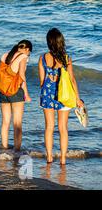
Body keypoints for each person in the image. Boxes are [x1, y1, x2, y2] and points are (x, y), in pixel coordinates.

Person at [39, 28, 84, 165]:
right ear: (61, 41)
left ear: (49, 42)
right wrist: (77, 98)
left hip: (47, 95)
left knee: (49, 127)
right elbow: (72, 80)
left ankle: (49, 157)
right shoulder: (66, 58)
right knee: (63, 128)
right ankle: (63, 159)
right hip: (63, 96)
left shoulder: (42, 58)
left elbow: (42, 82)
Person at [0, 40, 33, 151]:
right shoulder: (23, 57)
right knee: (17, 123)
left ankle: (4, 148)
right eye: (29, 53)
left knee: (5, 122)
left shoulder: (5, 55)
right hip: (16, 91)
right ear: (27, 49)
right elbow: (21, 75)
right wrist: (26, 93)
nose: (28, 55)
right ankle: (17, 150)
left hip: (3, 91)